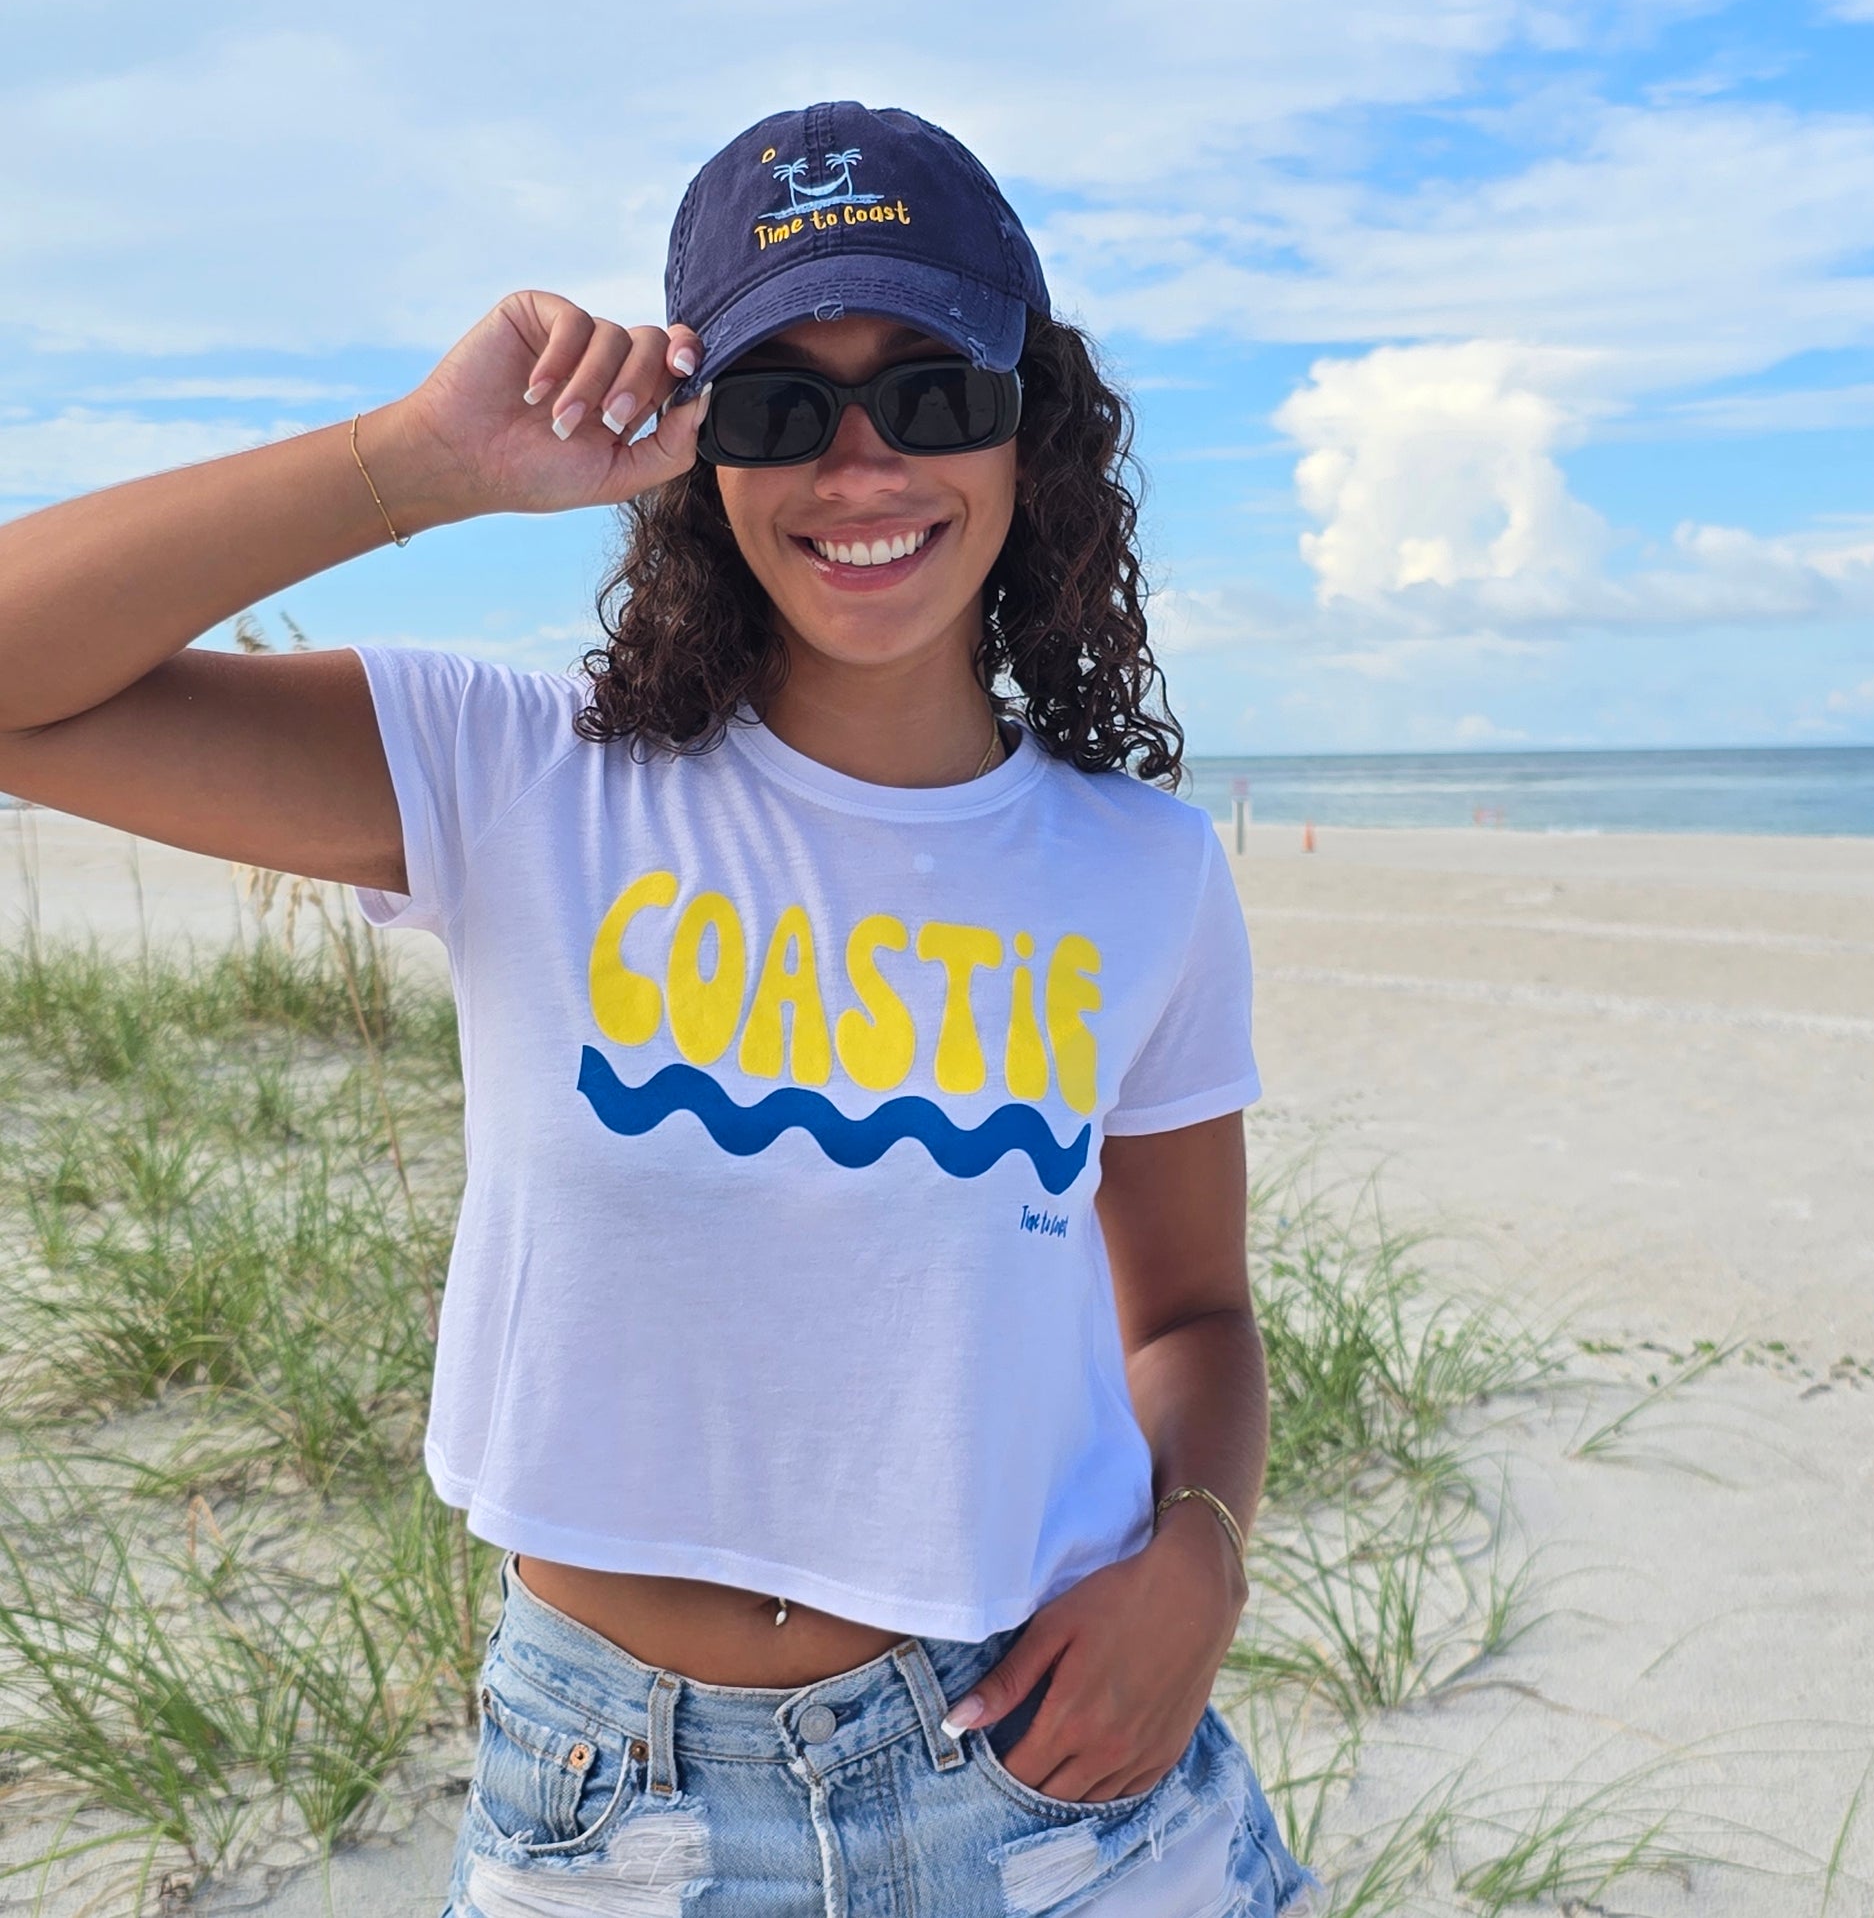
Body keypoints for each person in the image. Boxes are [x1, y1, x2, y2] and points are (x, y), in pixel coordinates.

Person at [0, 102, 1326, 1917]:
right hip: (615, 1801)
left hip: (1059, 1779)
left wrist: (1201, 1560)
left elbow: (1191, 1310)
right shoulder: (520, 774)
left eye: (932, 390)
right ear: (696, 453)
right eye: (783, 404)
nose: (862, 467)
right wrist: (411, 460)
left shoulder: (1143, 872)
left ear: (1036, 422)